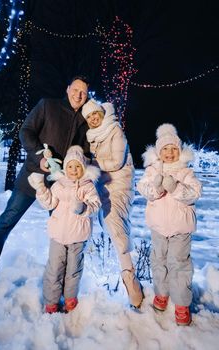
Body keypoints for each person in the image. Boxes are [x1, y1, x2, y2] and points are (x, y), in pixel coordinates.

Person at [0, 76, 90, 322]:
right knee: (4, 223)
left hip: (62, 187)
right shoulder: (48, 106)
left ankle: (59, 292)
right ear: (67, 89)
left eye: (84, 92)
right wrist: (40, 156)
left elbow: (86, 153)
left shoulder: (85, 120)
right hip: (33, 178)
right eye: (76, 90)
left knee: (64, 237)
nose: (79, 95)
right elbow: (25, 131)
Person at [136, 123, 202, 326]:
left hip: (180, 229)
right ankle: (161, 294)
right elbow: (145, 190)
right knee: (159, 262)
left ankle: (181, 304)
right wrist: (156, 186)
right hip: (158, 228)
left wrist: (175, 187)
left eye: (174, 148)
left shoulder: (185, 172)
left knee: (179, 264)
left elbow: (194, 194)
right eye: (165, 149)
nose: (170, 152)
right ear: (158, 151)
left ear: (180, 150)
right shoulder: (151, 171)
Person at [81, 99, 144, 309]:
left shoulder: (115, 130)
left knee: (114, 222)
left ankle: (130, 278)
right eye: (88, 117)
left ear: (101, 112)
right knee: (106, 224)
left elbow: (116, 162)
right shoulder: (92, 137)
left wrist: (90, 164)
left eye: (95, 114)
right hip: (103, 187)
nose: (93, 118)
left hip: (120, 186)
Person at [27, 146, 101, 313]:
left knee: (73, 269)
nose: (73, 170)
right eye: (70, 166)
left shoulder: (88, 186)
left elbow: (96, 205)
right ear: (65, 168)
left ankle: (70, 298)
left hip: (78, 235)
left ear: (82, 168)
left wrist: (83, 208)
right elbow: (49, 203)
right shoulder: (59, 184)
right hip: (58, 234)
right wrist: (41, 189)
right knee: (54, 268)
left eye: (77, 167)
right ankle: (51, 301)